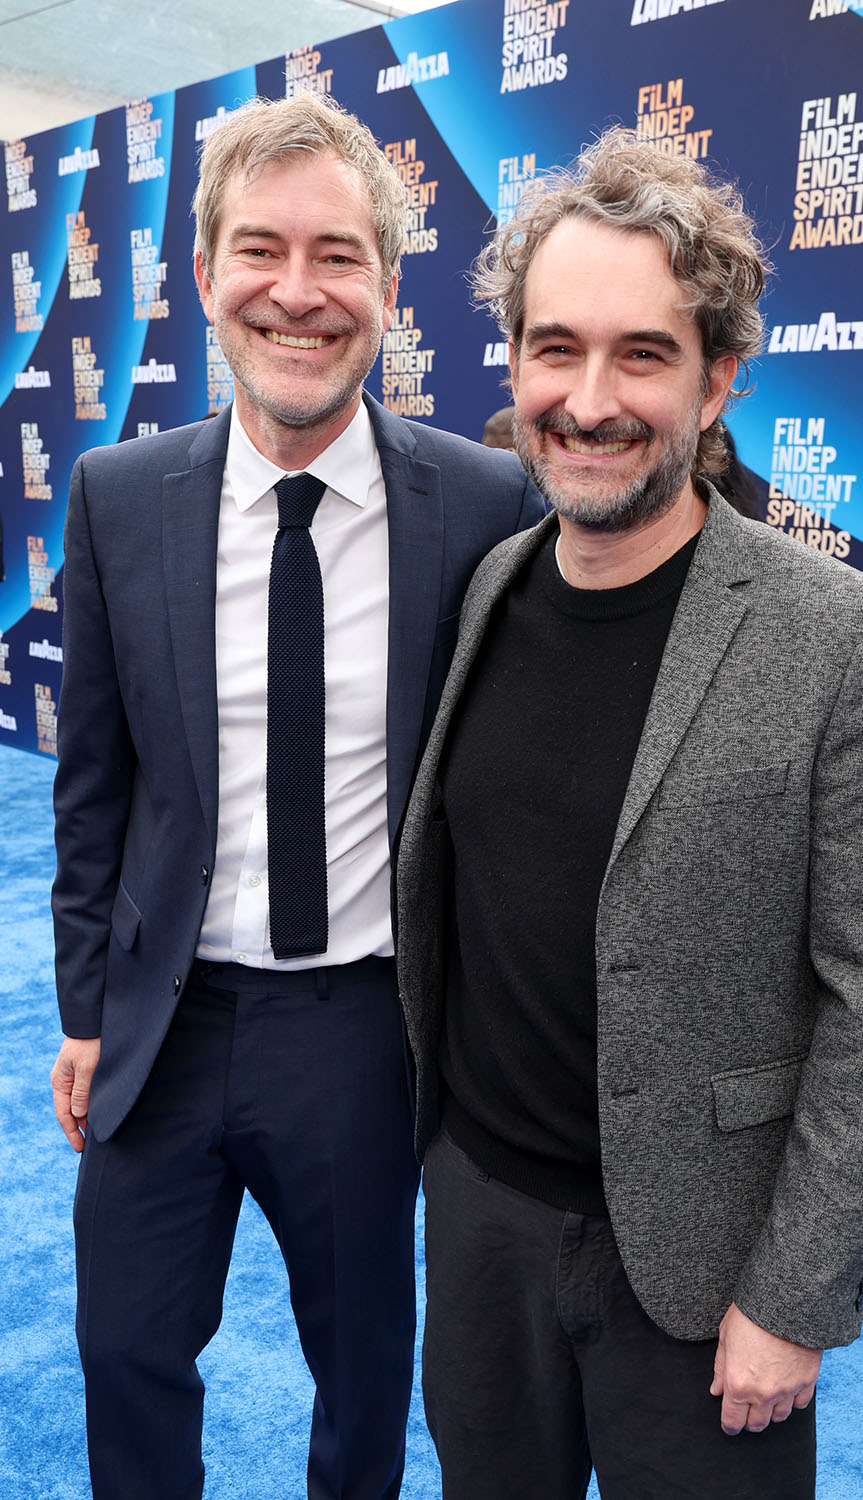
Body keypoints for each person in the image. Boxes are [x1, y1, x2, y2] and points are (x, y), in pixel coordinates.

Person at [393, 129, 863, 1500]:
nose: (590, 399)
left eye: (643, 354)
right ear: (513, 367)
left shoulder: (844, 635)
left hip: (709, 1274)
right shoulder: (483, 592)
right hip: (480, 1223)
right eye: (555, 349)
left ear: (718, 384)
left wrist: (796, 1295)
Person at [49, 92, 542, 1500]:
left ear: (390, 288)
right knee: (126, 1358)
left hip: (362, 1030)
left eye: (339, 257)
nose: (298, 293)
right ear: (203, 276)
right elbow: (95, 784)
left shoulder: (483, 502)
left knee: (367, 1370)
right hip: (166, 1026)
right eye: (260, 251)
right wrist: (87, 1006)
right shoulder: (118, 494)